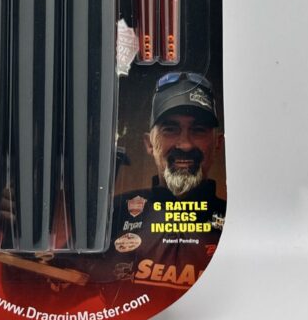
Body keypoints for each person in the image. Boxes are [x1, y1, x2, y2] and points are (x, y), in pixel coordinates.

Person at [83, 71, 226, 292]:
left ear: (217, 144)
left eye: (198, 130)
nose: (185, 144)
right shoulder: (112, 215)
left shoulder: (239, 221)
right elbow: (58, 290)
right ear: (149, 143)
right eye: (170, 129)